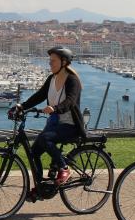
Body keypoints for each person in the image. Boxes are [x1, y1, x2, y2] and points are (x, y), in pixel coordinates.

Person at [14, 46, 86, 188]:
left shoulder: (72, 80)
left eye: (53, 61)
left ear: (64, 62)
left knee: (45, 138)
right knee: (33, 152)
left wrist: (55, 108)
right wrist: (22, 106)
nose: (50, 64)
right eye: (50, 61)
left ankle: (64, 168)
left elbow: (70, 101)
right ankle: (39, 187)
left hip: (71, 126)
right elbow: (39, 96)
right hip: (54, 124)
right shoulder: (52, 79)